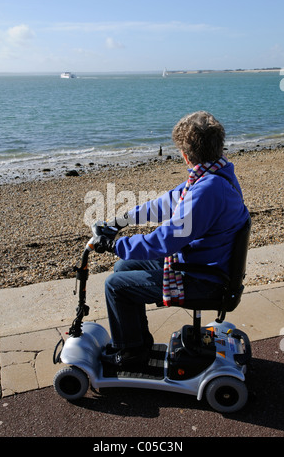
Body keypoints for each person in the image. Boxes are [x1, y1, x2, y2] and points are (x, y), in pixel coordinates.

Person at [93, 111, 250, 368]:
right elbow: (165, 204)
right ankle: (136, 342)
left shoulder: (208, 189)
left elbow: (165, 242)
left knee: (116, 285)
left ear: (186, 155)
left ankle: (131, 354)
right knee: (123, 267)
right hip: (206, 263)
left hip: (206, 278)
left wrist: (115, 245)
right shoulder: (217, 173)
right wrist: (120, 222)